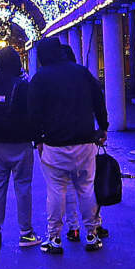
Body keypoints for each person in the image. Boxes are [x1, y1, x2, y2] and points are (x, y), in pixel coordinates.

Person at [24, 37, 108, 255]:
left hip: (54, 145)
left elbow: (32, 113)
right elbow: (98, 99)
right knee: (86, 188)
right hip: (84, 142)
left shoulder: (39, 79)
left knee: (56, 192)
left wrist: (38, 139)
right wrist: (103, 126)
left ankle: (54, 238)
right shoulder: (81, 72)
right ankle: (92, 234)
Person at [0, 46, 40, 247]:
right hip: (21, 143)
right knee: (23, 187)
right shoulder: (23, 86)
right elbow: (33, 114)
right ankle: (26, 233)